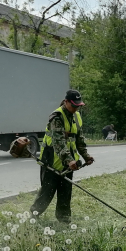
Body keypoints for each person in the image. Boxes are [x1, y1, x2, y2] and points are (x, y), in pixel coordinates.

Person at [30, 90, 94, 223]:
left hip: (67, 162)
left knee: (65, 192)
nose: (76, 108)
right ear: (66, 102)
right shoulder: (57, 117)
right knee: (47, 192)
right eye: (74, 105)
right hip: (51, 161)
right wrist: (69, 160)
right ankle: (33, 216)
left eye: (78, 106)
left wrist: (86, 156)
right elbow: (58, 142)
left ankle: (64, 220)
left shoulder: (76, 117)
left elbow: (79, 140)